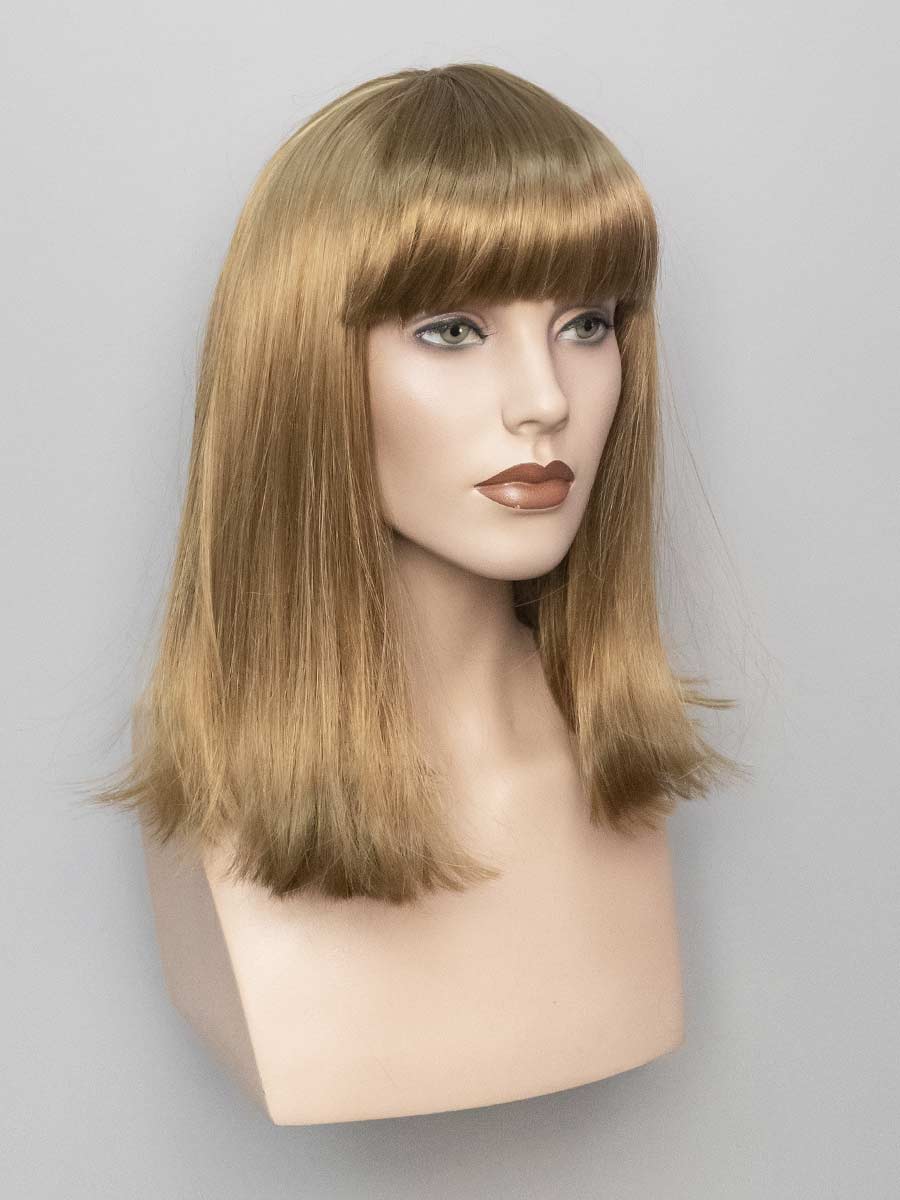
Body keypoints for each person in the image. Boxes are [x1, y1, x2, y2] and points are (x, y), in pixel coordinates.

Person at [85, 62, 749, 1124]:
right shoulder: (221, 799)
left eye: (586, 324)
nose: (545, 401)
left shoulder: (603, 755)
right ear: (301, 369)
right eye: (452, 330)